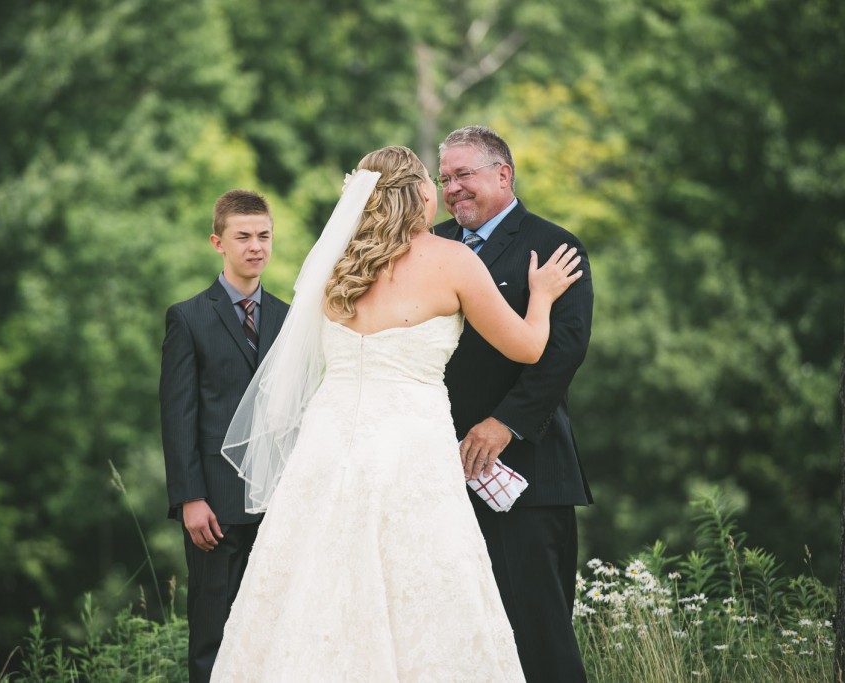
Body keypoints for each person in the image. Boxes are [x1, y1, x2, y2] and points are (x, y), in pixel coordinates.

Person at [210, 146, 582, 681]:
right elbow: (526, 347)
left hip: (328, 447)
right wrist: (541, 296)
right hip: (411, 448)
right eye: (435, 179)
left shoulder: (336, 265)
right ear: (418, 194)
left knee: (318, 581)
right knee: (425, 583)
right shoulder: (452, 260)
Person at [434, 125, 594, 682]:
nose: (452, 188)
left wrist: (504, 423)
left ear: (503, 174)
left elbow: (564, 350)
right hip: (437, 475)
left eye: (464, 174)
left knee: (537, 634)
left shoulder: (552, 245)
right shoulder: (431, 246)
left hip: (526, 472)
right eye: (445, 178)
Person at [159, 189, 290, 683]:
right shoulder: (187, 318)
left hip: (277, 505)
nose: (255, 246)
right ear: (218, 241)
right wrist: (189, 497)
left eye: (264, 235)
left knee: (272, 634)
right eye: (243, 237)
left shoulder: (288, 317)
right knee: (212, 636)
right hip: (212, 507)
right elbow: (178, 416)